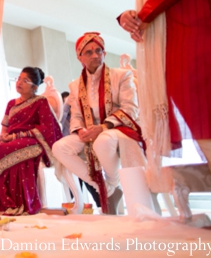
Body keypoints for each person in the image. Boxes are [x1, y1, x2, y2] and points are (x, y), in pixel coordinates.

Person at [118, 0, 211, 185]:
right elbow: (153, 0)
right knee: (197, 119)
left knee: (206, 116)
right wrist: (130, 16)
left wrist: (145, 14)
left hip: (195, 34)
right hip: (171, 44)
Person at [52, 33, 146, 214]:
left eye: (98, 51)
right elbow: (76, 116)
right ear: (80, 58)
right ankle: (105, 189)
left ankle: (113, 183)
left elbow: (130, 108)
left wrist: (102, 127)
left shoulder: (122, 75)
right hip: (90, 130)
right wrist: (79, 131)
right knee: (59, 147)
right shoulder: (75, 85)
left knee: (102, 140)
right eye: (88, 52)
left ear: (104, 53)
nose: (95, 55)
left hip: (118, 128)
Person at [0, 67, 62, 215]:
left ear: (35, 87)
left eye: (25, 80)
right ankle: (0, 201)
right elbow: (5, 126)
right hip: (12, 142)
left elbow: (46, 128)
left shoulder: (40, 102)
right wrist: (3, 137)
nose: (19, 82)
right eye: (19, 78)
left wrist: (15, 137)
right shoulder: (11, 103)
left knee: (16, 147)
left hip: (31, 140)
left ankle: (19, 202)